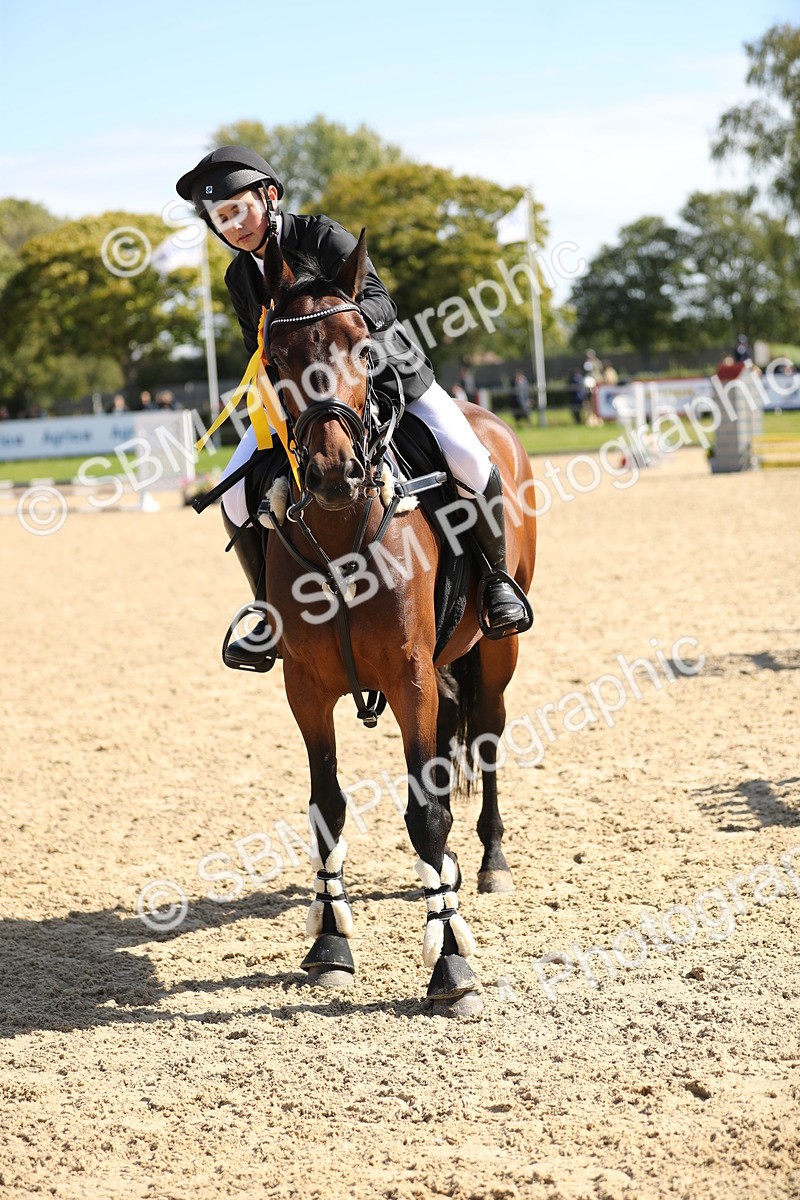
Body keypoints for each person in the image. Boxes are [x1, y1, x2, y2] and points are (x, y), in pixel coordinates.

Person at [175, 146, 529, 668]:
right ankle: (269, 615)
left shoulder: (321, 236)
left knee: (469, 455)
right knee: (231, 500)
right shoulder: (239, 279)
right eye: (219, 218)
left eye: (238, 210)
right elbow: (264, 351)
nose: (231, 226)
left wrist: (333, 320)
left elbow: (383, 302)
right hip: (299, 401)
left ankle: (497, 580)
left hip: (385, 374)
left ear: (269, 197)